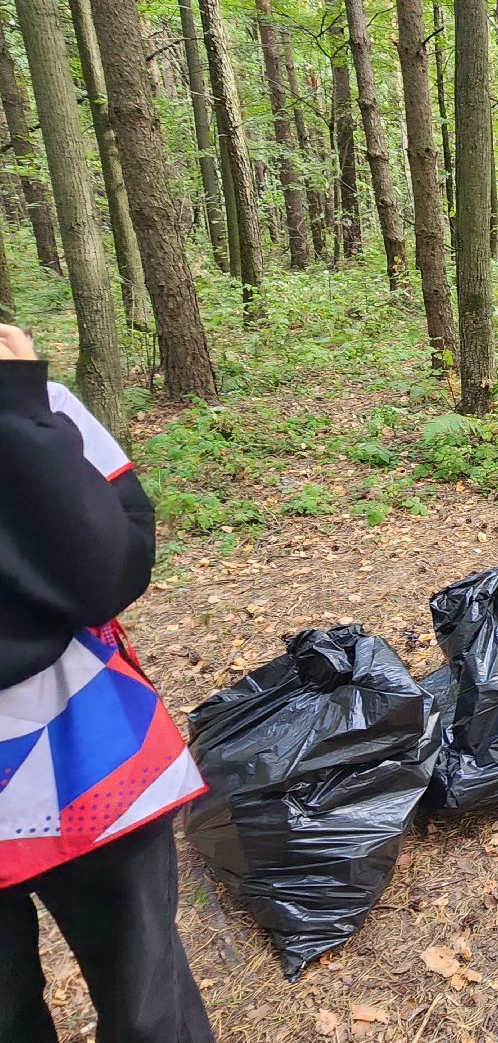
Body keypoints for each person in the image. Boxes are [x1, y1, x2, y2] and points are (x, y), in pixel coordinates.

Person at [0, 323, 214, 1042]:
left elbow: (121, 555)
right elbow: (106, 569)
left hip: (83, 756)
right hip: (81, 750)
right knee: (144, 996)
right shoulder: (37, 407)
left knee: (144, 997)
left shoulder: (47, 406)